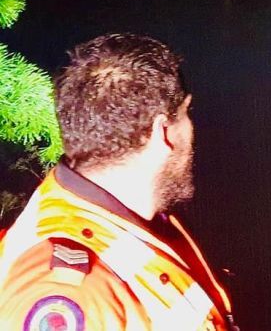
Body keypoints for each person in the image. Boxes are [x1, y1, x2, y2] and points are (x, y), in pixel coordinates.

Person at [0, 33, 238, 330]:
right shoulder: (71, 293)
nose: (191, 129)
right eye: (185, 114)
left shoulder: (137, 218)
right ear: (162, 132)